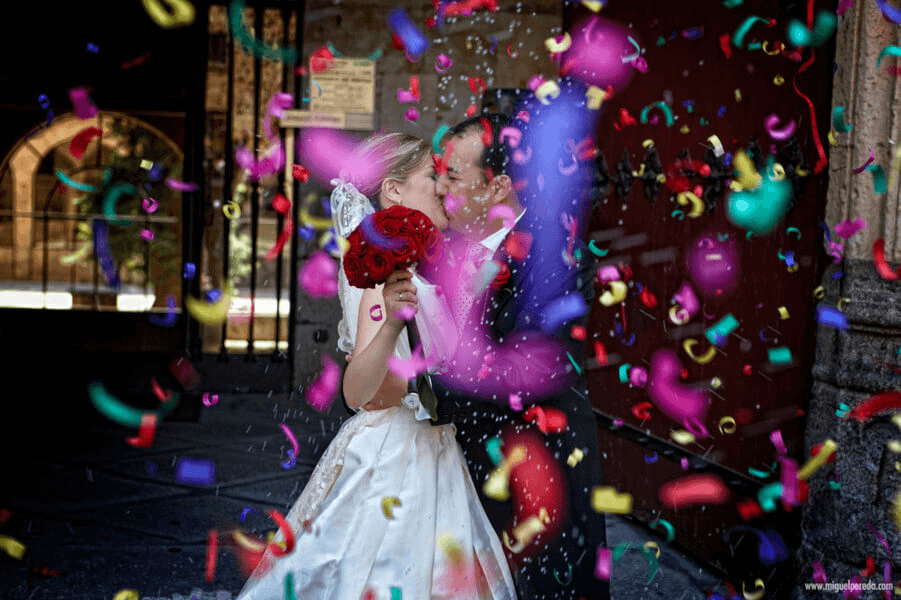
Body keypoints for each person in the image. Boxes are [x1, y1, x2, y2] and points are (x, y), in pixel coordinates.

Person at [235, 132, 517, 600]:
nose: (444, 187)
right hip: (396, 462)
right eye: (432, 176)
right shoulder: (381, 279)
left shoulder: (425, 270)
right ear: (393, 191)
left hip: (439, 453)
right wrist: (390, 327)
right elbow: (361, 394)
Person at [430, 109, 611, 600]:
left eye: (452, 174)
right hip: (464, 463)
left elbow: (529, 368)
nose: (439, 184)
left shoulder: (554, 258)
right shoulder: (445, 248)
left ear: (496, 187)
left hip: (538, 466)